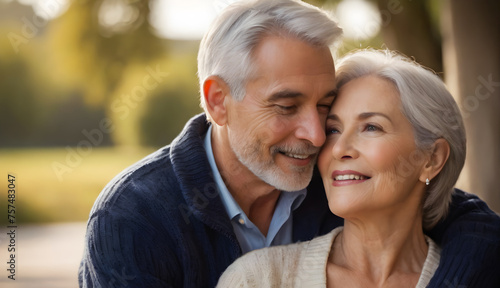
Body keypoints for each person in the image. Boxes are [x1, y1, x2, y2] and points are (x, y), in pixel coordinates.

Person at [78, 0, 500, 287]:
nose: (317, 137)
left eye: (324, 108)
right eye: (286, 106)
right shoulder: (135, 218)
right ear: (218, 102)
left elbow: (469, 218)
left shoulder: (334, 178)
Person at [216, 49, 500, 287]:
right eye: (334, 129)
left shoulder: (481, 275)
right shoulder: (257, 280)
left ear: (432, 159)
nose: (338, 149)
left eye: (371, 127)